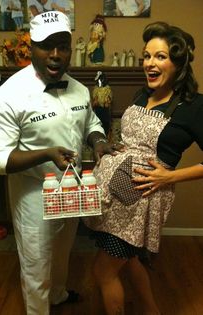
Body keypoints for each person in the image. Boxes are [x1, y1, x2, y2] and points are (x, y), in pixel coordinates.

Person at [0, 10, 120, 315]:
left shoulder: (80, 90)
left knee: (61, 253)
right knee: (36, 264)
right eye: (47, 46)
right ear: (31, 47)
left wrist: (97, 141)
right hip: (32, 195)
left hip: (71, 190)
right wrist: (46, 153)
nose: (56, 55)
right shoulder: (9, 96)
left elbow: (91, 123)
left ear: (71, 48)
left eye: (63, 46)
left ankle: (57, 294)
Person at [83, 21, 203, 314]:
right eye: (147, 55)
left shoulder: (193, 107)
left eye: (160, 56)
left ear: (178, 62)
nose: (150, 63)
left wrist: (170, 176)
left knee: (104, 272)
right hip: (114, 199)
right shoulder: (142, 95)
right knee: (131, 261)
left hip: (140, 202)